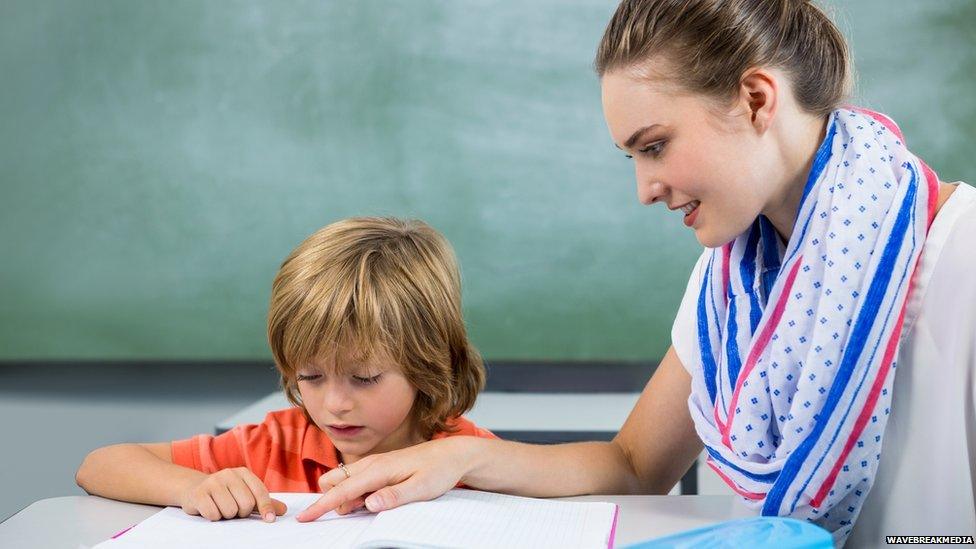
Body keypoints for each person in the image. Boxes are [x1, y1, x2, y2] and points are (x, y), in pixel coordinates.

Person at [295, 1, 976, 545]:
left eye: (656, 146)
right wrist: (461, 460)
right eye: (633, 158)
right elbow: (633, 465)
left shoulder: (963, 256)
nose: (645, 189)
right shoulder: (730, 285)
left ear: (757, 100)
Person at [75, 217, 495, 522]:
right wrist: (192, 487)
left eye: (364, 378)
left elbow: (563, 471)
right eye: (310, 377)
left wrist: (474, 461)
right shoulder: (276, 444)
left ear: (427, 363)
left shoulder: (459, 454)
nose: (334, 405)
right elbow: (99, 465)